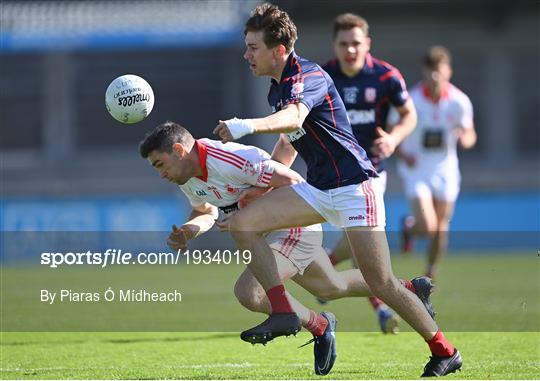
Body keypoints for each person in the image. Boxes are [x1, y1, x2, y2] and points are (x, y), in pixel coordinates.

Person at [213, 3, 461, 377]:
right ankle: (283, 311)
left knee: (382, 283)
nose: (246, 54)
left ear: (279, 49)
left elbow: (295, 116)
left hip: (354, 189)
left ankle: (445, 350)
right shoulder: (277, 88)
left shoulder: (308, 75)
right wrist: (260, 185)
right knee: (243, 222)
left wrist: (244, 125)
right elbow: (290, 141)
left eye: (253, 47)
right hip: (317, 190)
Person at [138, 121, 433, 376]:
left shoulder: (231, 158)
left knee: (250, 292)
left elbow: (294, 182)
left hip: (295, 228)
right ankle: (409, 288)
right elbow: (206, 211)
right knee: (331, 287)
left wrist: (247, 205)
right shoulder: (187, 176)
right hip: (268, 238)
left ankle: (319, 325)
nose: (161, 175)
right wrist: (189, 231)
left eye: (159, 165)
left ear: (178, 151)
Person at [319, 13, 418, 334]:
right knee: (360, 242)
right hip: (331, 172)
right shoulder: (322, 76)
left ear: (368, 44)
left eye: (356, 43)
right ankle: (334, 271)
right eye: (344, 44)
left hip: (371, 172)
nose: (350, 50)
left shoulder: (386, 76)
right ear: (335, 45)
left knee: (359, 239)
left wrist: (393, 138)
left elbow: (408, 115)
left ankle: (374, 304)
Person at [397, 46, 477, 279]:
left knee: (441, 226)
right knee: (428, 226)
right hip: (416, 168)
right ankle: (410, 228)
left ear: (448, 72)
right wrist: (403, 154)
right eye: (430, 72)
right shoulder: (410, 100)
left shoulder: (459, 101)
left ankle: (430, 275)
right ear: (424, 72)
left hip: (445, 168)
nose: (434, 77)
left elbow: (470, 133)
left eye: (439, 72)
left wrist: (465, 139)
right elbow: (395, 133)